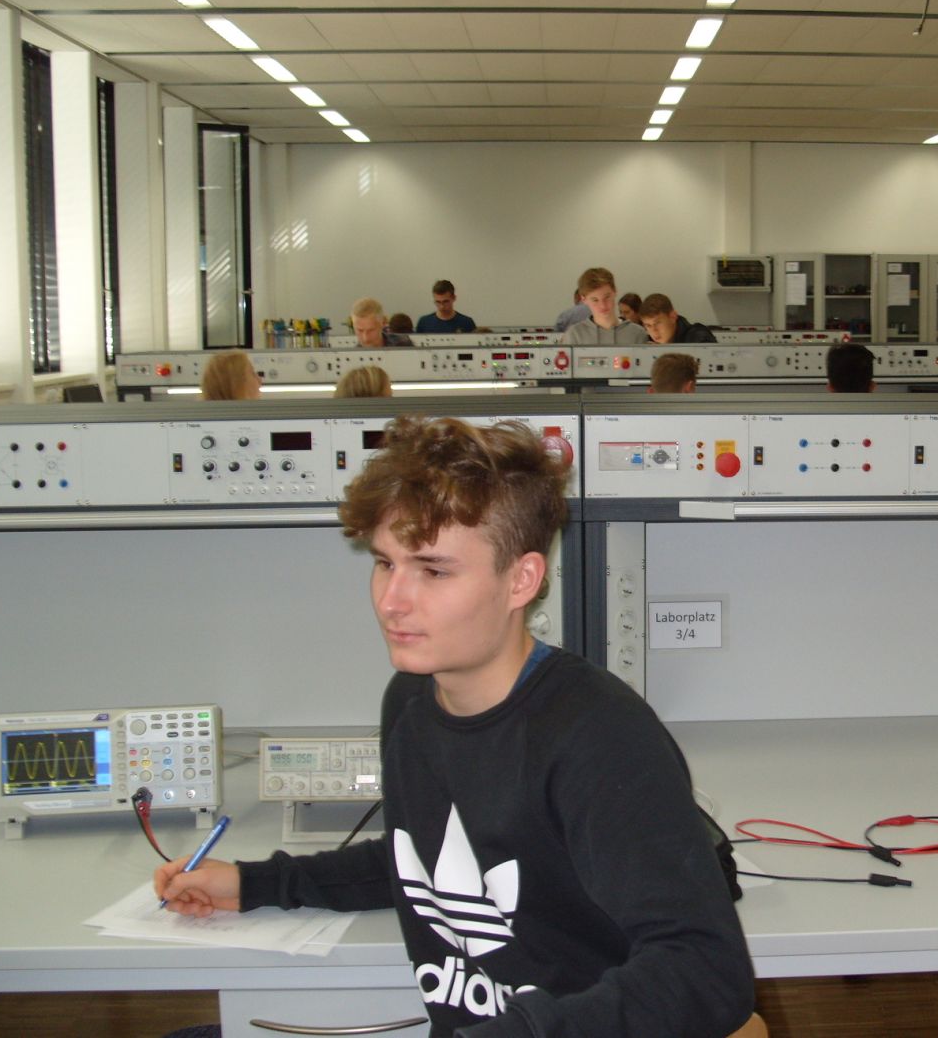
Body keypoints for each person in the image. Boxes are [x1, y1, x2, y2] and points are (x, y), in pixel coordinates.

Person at [155, 416, 755, 1038]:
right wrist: (258, 883)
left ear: (521, 580)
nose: (391, 600)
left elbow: (705, 973)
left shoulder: (599, 736)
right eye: (385, 563)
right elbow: (421, 858)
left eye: (433, 571)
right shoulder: (412, 702)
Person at [560, 268, 650, 346]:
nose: (603, 305)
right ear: (584, 299)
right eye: (595, 300)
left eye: (607, 297)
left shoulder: (638, 333)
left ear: (615, 291)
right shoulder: (574, 335)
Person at [640, 294, 718, 345]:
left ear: (673, 317)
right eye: (648, 325)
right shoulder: (647, 344)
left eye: (657, 323)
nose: (654, 330)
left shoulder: (699, 338)